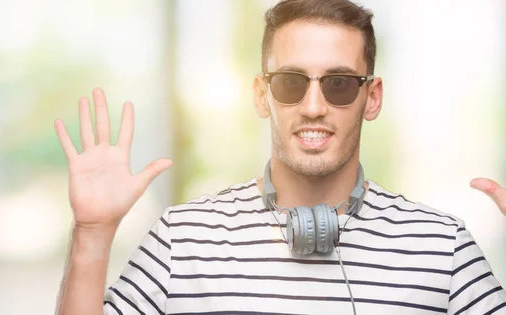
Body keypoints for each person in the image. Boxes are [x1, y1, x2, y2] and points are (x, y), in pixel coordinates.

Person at [53, 0, 506, 314]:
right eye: (291, 82)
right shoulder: (182, 239)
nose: (313, 106)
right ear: (262, 94)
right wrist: (93, 233)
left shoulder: (441, 247)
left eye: (340, 83)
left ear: (372, 97)